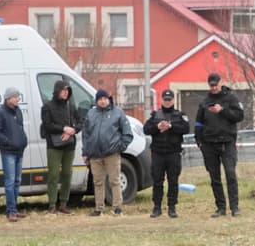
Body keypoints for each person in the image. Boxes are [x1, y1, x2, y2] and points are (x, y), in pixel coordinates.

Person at [195, 73, 246, 217]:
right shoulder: (205, 101)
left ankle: (234, 208)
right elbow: (199, 122)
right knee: (214, 177)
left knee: (230, 174)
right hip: (209, 144)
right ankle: (221, 207)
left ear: (220, 83)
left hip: (227, 143)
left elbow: (239, 116)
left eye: (216, 85)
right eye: (211, 85)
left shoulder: (231, 98)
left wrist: (222, 111)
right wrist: (198, 139)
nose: (214, 87)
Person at [82, 88, 132, 217]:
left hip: (112, 154)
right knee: (98, 182)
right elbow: (85, 135)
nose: (102, 101)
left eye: (104, 98)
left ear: (108, 99)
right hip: (94, 155)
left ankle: (117, 208)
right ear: (96, 100)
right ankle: (99, 209)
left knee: (114, 181)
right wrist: (85, 152)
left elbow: (127, 133)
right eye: (100, 99)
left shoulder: (118, 113)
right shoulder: (91, 114)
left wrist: (120, 147)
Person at [144, 89, 190, 218]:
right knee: (157, 181)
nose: (167, 102)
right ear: (162, 100)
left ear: (173, 100)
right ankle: (157, 207)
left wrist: (171, 127)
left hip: (173, 153)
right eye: (165, 99)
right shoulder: (155, 115)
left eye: (169, 100)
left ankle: (172, 207)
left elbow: (186, 129)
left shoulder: (180, 115)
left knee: (173, 181)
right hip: (158, 153)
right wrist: (157, 127)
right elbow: (146, 129)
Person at [39, 80, 81, 214]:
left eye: (67, 90)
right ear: (57, 91)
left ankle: (63, 203)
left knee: (67, 174)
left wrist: (73, 131)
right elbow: (47, 126)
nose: (66, 92)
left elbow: (81, 122)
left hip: (69, 145)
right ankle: (52, 204)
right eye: (63, 90)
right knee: (53, 174)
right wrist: (63, 129)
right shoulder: (47, 107)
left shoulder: (71, 106)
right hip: (54, 145)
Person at [0, 87, 28, 222]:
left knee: (17, 181)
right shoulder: (0, 113)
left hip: (19, 151)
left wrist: (23, 140)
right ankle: (11, 211)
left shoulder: (18, 111)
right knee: (10, 182)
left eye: (18, 96)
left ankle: (14, 209)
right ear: (8, 98)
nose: (18, 99)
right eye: (15, 96)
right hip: (8, 152)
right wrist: (9, 142)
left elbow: (20, 128)